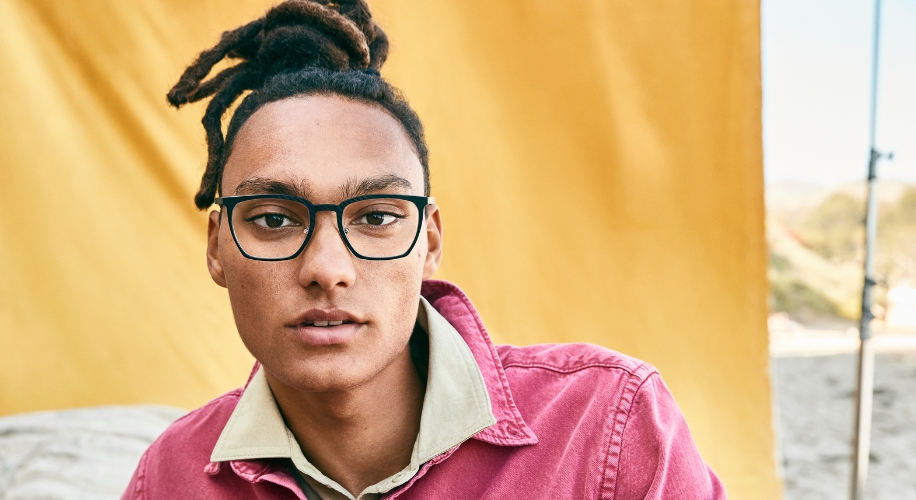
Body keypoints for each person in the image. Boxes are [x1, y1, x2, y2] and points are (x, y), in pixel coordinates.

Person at [123, 1, 726, 498]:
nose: (327, 270)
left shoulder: (607, 424)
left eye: (377, 217)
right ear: (217, 248)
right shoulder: (170, 475)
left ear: (429, 242)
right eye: (275, 219)